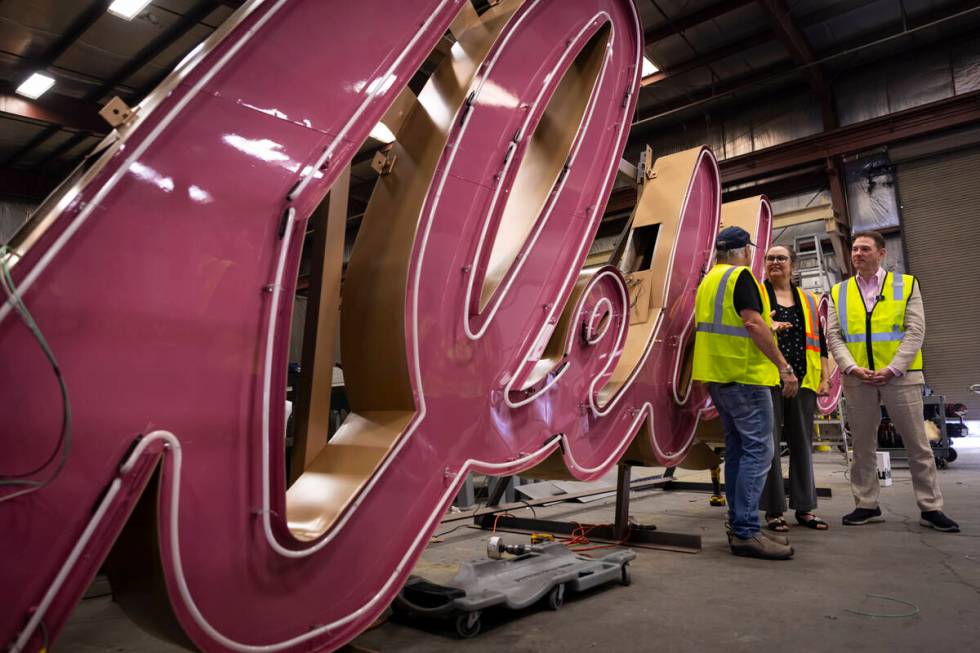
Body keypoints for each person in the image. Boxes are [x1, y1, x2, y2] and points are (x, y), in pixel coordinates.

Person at [826, 231, 959, 532]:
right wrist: (851, 367)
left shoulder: (906, 285)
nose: (857, 253)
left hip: (901, 377)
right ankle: (866, 505)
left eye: (865, 249)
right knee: (862, 447)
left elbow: (915, 331)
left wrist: (893, 368)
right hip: (858, 379)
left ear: (881, 253)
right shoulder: (839, 292)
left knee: (918, 444)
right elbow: (834, 336)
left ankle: (930, 508)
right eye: (855, 249)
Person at [693, 226, 799, 560]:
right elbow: (752, 324)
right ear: (745, 251)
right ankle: (746, 531)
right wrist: (783, 366)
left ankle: (740, 523)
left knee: (739, 452)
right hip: (745, 377)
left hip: (719, 377)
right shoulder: (741, 277)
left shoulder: (709, 281)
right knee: (760, 452)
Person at [759, 245, 831, 533]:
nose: (775, 262)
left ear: (794, 265)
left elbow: (821, 343)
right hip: (768, 379)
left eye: (781, 258)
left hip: (803, 381)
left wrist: (824, 377)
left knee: (802, 445)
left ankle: (805, 507)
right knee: (770, 446)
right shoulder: (757, 294)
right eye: (770, 258)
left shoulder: (809, 300)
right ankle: (774, 510)